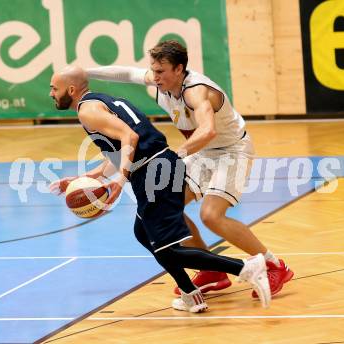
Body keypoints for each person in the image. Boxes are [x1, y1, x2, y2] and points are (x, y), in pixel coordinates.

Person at [48, 65, 271, 313]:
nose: (51, 93)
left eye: (54, 88)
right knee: (143, 232)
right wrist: (82, 179)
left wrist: (120, 181)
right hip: (157, 167)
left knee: (167, 247)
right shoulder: (99, 101)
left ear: (70, 89)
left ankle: (245, 268)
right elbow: (118, 150)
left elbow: (129, 138)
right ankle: (191, 294)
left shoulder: (88, 111)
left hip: (155, 171)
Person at [85, 40, 293, 298]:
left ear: (179, 69)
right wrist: (86, 71)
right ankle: (212, 270)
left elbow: (208, 130)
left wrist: (177, 154)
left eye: (161, 72)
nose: (155, 77)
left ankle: (274, 264)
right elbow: (127, 73)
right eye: (154, 70)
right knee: (166, 207)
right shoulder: (161, 82)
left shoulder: (196, 91)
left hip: (232, 151)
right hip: (203, 152)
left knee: (211, 215)